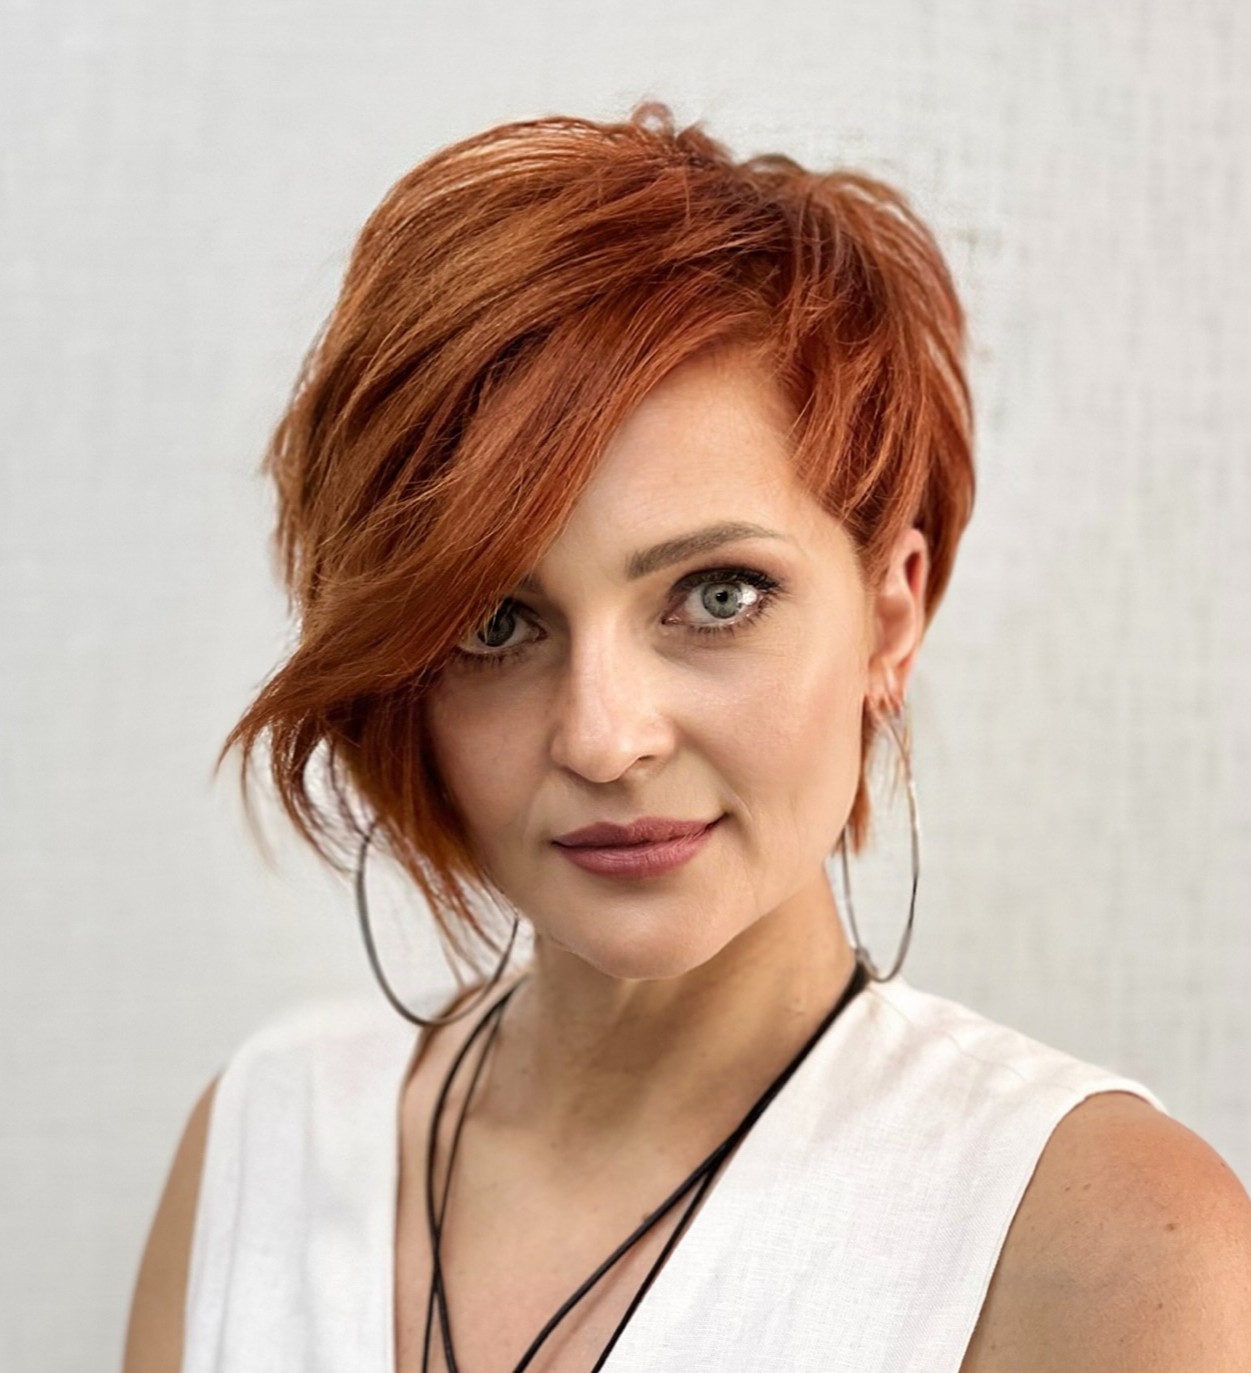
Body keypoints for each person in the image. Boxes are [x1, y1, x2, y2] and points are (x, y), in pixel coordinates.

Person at [123, 104, 1251, 1373]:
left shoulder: (1104, 1245)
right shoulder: (263, 1148)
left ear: (890, 616)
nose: (605, 737)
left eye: (717, 596)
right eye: (498, 621)